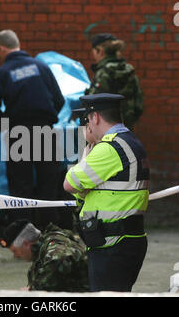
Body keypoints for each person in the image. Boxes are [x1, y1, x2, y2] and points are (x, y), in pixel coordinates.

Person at [63, 93, 150, 292]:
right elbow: (83, 192)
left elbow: (70, 184)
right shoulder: (129, 141)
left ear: (95, 117)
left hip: (113, 244)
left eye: (86, 121)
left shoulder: (110, 148)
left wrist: (87, 151)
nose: (86, 128)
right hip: (123, 240)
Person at [0, 29, 65, 229]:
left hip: (18, 134)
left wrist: (7, 128)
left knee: (20, 187)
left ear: (2, 48)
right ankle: (50, 234)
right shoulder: (41, 67)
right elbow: (59, 100)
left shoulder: (1, 74)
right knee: (49, 184)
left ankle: (23, 236)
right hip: (45, 131)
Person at [0, 219, 89, 292]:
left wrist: (32, 291)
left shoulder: (55, 246)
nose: (15, 256)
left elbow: (60, 259)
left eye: (15, 251)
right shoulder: (42, 251)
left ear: (26, 244)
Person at [85, 33, 143, 130]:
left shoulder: (103, 73)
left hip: (104, 130)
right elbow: (139, 105)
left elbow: (92, 103)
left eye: (94, 51)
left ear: (100, 51)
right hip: (126, 129)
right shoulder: (129, 71)